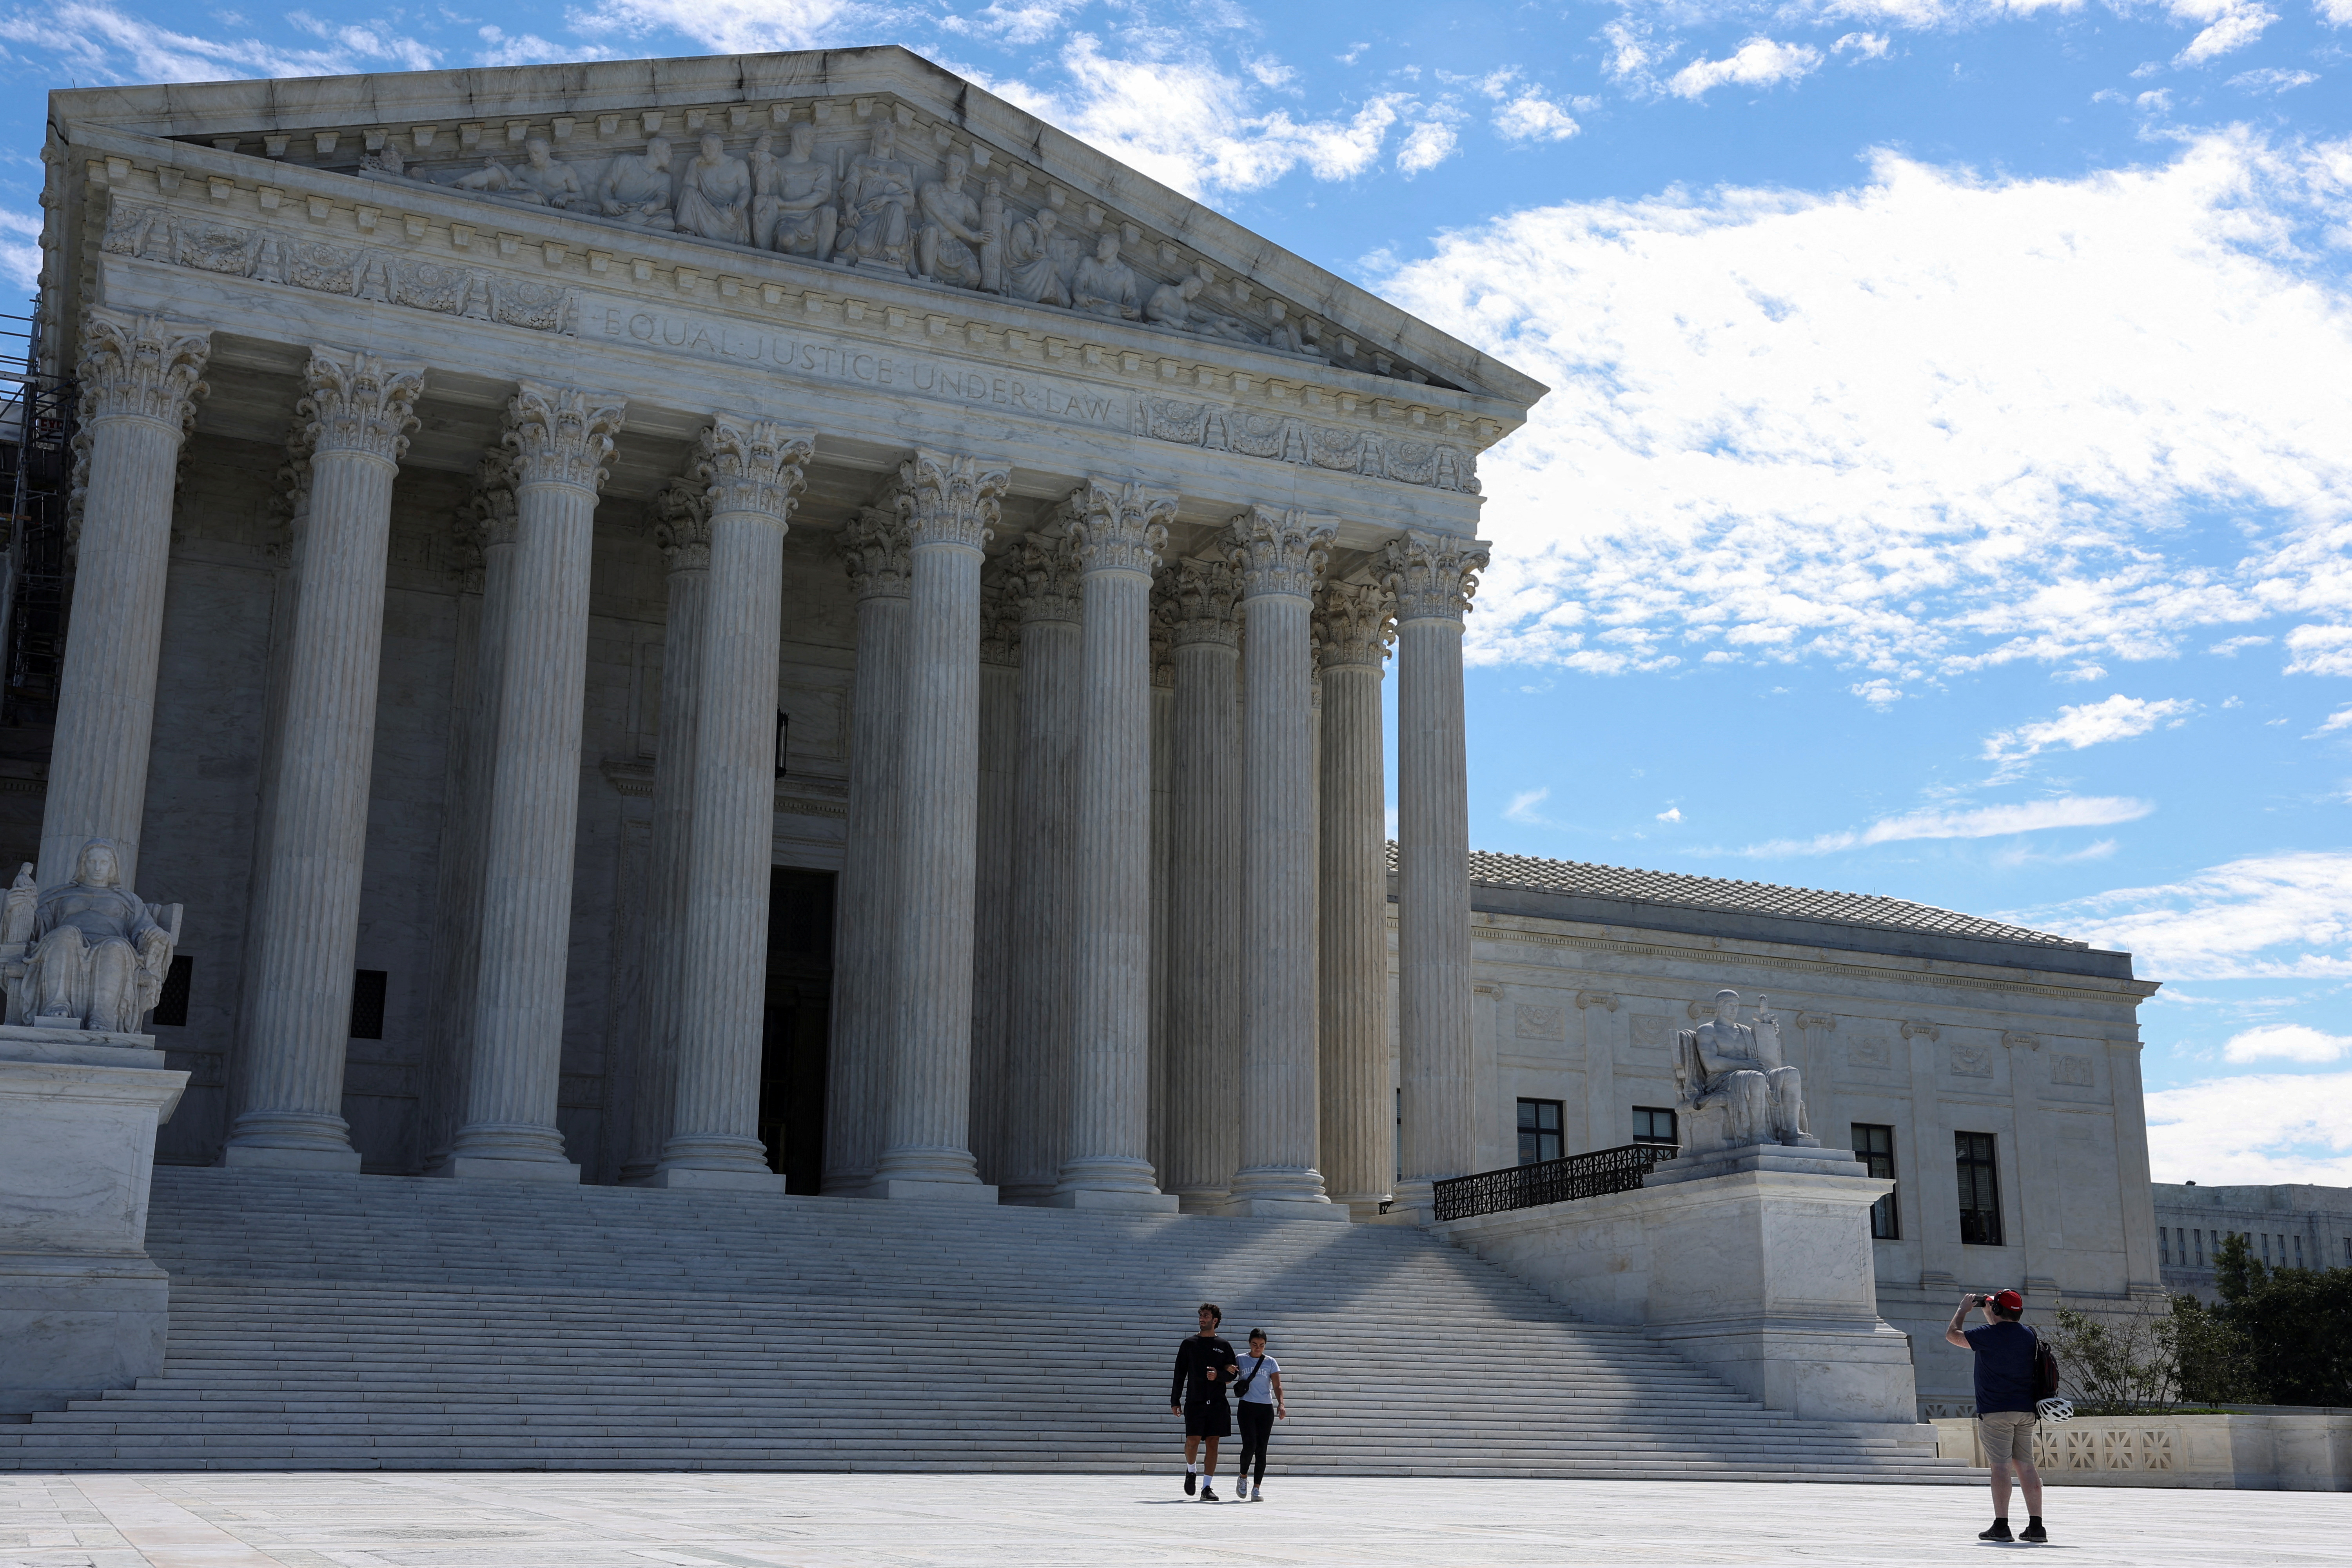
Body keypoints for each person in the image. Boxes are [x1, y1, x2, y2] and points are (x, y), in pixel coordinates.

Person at [1946, 1289, 2049, 1544]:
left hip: (1995, 1412)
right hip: (2025, 1411)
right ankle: (2036, 1527)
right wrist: (1991, 1309)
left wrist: (1963, 1310)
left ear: (1998, 1311)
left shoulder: (1987, 1335)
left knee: (2000, 1467)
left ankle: (2001, 1526)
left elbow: (1952, 1336)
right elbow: (2005, 1329)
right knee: (2026, 1467)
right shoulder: (2029, 1336)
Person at [1169, 1302, 1237, 1502]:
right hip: (1195, 1400)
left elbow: (1232, 1374)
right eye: (1201, 1316)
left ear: (1215, 1321)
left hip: (1217, 1402)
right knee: (1192, 1441)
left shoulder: (1223, 1346)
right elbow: (1179, 1374)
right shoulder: (1189, 1344)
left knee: (1213, 1443)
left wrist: (1218, 1375)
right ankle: (1191, 1471)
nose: (1202, 1319)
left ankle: (1207, 1487)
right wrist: (1175, 1400)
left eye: (1206, 1316)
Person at [1232, 1329, 1285, 1502]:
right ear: (1249, 1343)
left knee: (1262, 1449)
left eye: (1262, 1346)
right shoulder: (1240, 1359)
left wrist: (1281, 1404)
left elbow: (1277, 1386)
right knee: (1250, 1444)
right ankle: (1243, 1477)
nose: (1258, 1348)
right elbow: (1228, 1377)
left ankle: (1257, 1488)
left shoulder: (1271, 1362)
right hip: (1247, 1406)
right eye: (1255, 1345)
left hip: (1265, 1408)